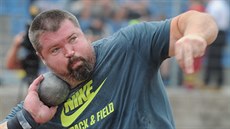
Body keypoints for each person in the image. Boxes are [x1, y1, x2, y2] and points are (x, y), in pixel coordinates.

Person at [0, 9, 218, 129]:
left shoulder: (128, 48)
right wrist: (27, 120)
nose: (70, 51)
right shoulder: (42, 101)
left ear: (83, 33)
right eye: (56, 49)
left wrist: (195, 35)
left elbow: (196, 20)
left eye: (73, 39)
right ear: (42, 58)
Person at [203, 0, 230, 89]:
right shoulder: (223, 4)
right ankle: (217, 82)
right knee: (217, 58)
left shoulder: (215, 5)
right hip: (221, 32)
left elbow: (210, 20)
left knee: (213, 58)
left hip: (216, 32)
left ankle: (208, 81)